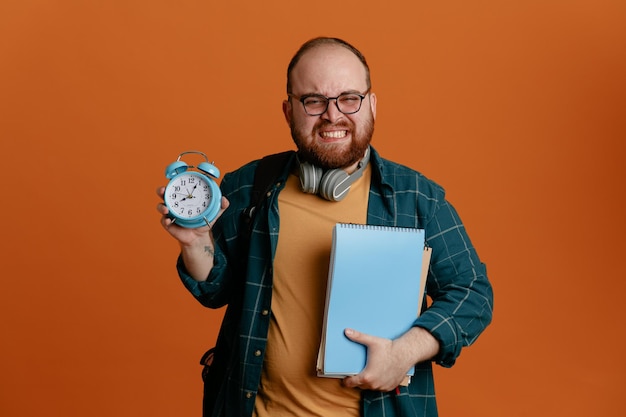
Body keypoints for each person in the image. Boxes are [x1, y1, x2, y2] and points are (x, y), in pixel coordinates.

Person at [157, 37, 493, 417]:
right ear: (288, 112)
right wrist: (195, 241)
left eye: (349, 98)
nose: (333, 115)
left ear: (372, 104)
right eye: (313, 101)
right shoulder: (248, 186)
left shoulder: (417, 198)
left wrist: (405, 352)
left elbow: (473, 295)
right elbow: (214, 290)